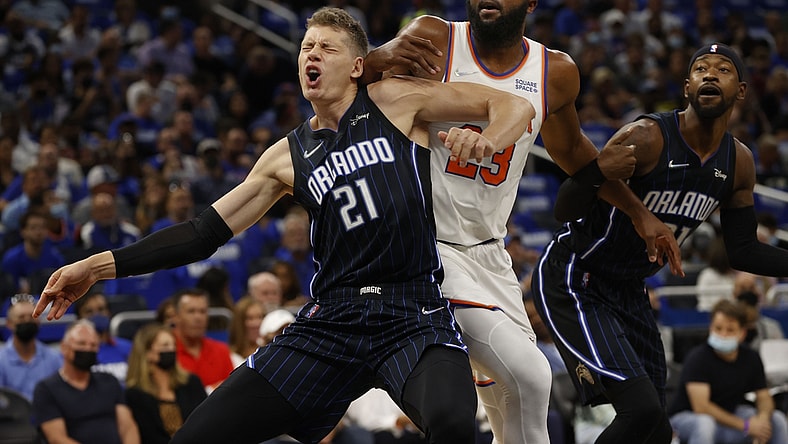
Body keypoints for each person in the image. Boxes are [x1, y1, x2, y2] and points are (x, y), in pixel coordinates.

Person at [33, 7, 536, 443]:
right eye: (305, 47)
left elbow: (513, 104)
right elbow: (201, 233)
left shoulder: (395, 100)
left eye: (327, 48)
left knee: (453, 423)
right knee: (196, 436)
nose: (311, 55)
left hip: (412, 310)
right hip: (332, 322)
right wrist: (96, 268)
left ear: (358, 66)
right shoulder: (284, 157)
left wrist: (491, 139)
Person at [362, 1, 681, 442]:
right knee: (531, 376)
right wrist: (370, 62)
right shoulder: (435, 38)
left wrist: (638, 212)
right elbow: (354, 99)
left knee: (521, 417)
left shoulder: (555, 71)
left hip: (490, 253)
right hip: (426, 246)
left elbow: (569, 152)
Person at [531, 43, 788, 443]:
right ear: (687, 87)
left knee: (656, 426)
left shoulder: (739, 162)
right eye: (701, 69)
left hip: (628, 289)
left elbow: (744, 250)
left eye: (722, 69)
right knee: (641, 410)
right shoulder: (648, 136)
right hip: (576, 275)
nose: (709, 75)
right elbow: (565, 206)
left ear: (740, 90)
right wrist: (598, 171)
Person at [668, 300, 788, 444]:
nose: (723, 334)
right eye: (718, 328)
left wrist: (762, 421)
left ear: (742, 333)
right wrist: (746, 425)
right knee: (705, 424)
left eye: (730, 330)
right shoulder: (697, 358)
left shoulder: (751, 357)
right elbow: (701, 407)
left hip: (729, 415)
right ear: (710, 328)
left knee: (776, 419)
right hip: (688, 418)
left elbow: (763, 397)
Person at [32, 320, 140, 444]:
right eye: (81, 344)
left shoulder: (109, 381)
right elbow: (57, 438)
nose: (88, 349)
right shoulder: (46, 389)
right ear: (64, 347)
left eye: (93, 345)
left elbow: (128, 427)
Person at [125, 323, 207, 444]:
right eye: (165, 345)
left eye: (173, 345)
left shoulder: (191, 383)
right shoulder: (135, 395)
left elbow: (206, 422)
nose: (172, 349)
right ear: (147, 353)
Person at [170, 288, 233, 392]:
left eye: (202, 311)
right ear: (176, 316)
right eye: (191, 311)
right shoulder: (164, 352)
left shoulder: (221, 351)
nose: (198, 317)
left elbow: (230, 391)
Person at [0, 293, 62, 401]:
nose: (27, 321)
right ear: (9, 324)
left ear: (38, 322)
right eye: (21, 317)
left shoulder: (54, 358)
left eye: (32, 317)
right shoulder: (1, 360)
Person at [72, 291, 133, 381]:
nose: (96, 315)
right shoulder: (74, 352)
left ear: (109, 313)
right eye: (89, 312)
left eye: (101, 309)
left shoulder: (128, 348)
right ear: (79, 318)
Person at [228, 296, 265, 367]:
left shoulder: (268, 348)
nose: (257, 323)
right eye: (250, 318)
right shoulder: (231, 357)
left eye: (260, 317)